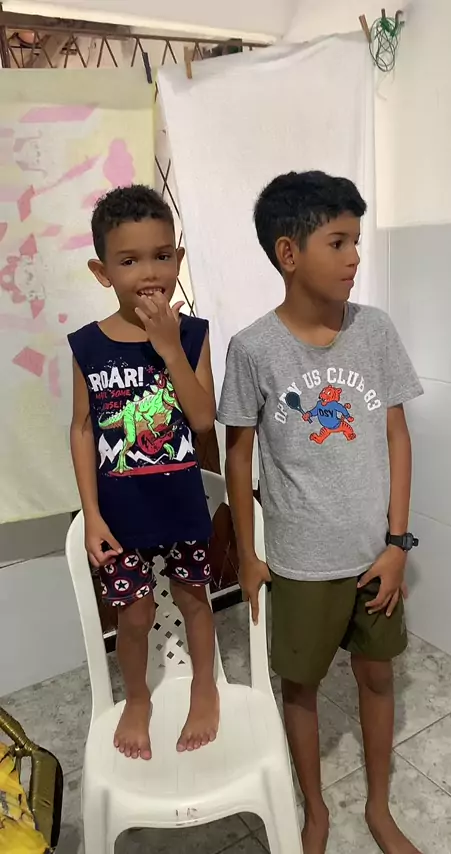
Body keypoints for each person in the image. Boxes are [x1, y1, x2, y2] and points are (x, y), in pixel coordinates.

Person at [218, 171, 423, 854]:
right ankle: (315, 810)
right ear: (288, 253)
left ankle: (380, 807)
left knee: (377, 674)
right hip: (301, 563)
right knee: (301, 686)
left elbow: (397, 435)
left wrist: (397, 543)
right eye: (338, 242)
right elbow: (239, 457)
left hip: (374, 555)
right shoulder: (253, 349)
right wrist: (249, 555)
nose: (354, 257)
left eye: (356, 241)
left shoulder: (375, 330)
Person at [69, 185, 218, 761]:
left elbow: (202, 421)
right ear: (103, 272)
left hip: (181, 505)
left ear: (177, 259)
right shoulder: (87, 345)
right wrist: (91, 515)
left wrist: (170, 348)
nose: (149, 273)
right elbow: (83, 429)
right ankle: (137, 697)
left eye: (161, 256)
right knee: (134, 615)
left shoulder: (193, 334)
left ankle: (205, 686)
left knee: (194, 598)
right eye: (129, 261)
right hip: (121, 517)